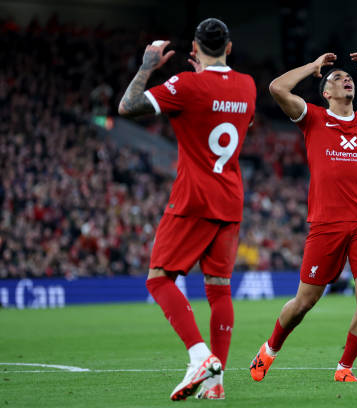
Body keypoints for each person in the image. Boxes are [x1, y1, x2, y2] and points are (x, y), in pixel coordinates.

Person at [249, 52, 357, 382]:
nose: (346, 79)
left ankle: (344, 368)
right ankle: (269, 350)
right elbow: (277, 89)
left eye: (349, 77)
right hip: (326, 224)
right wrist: (312, 68)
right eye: (336, 78)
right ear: (326, 92)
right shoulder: (313, 118)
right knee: (304, 302)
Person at [118, 18, 256, 401]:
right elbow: (221, 105)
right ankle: (216, 383)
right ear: (229, 47)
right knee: (219, 289)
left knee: (159, 278)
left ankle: (198, 356)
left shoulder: (186, 85)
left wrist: (148, 66)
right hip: (231, 198)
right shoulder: (248, 86)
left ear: (193, 50)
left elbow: (127, 106)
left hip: (194, 197)